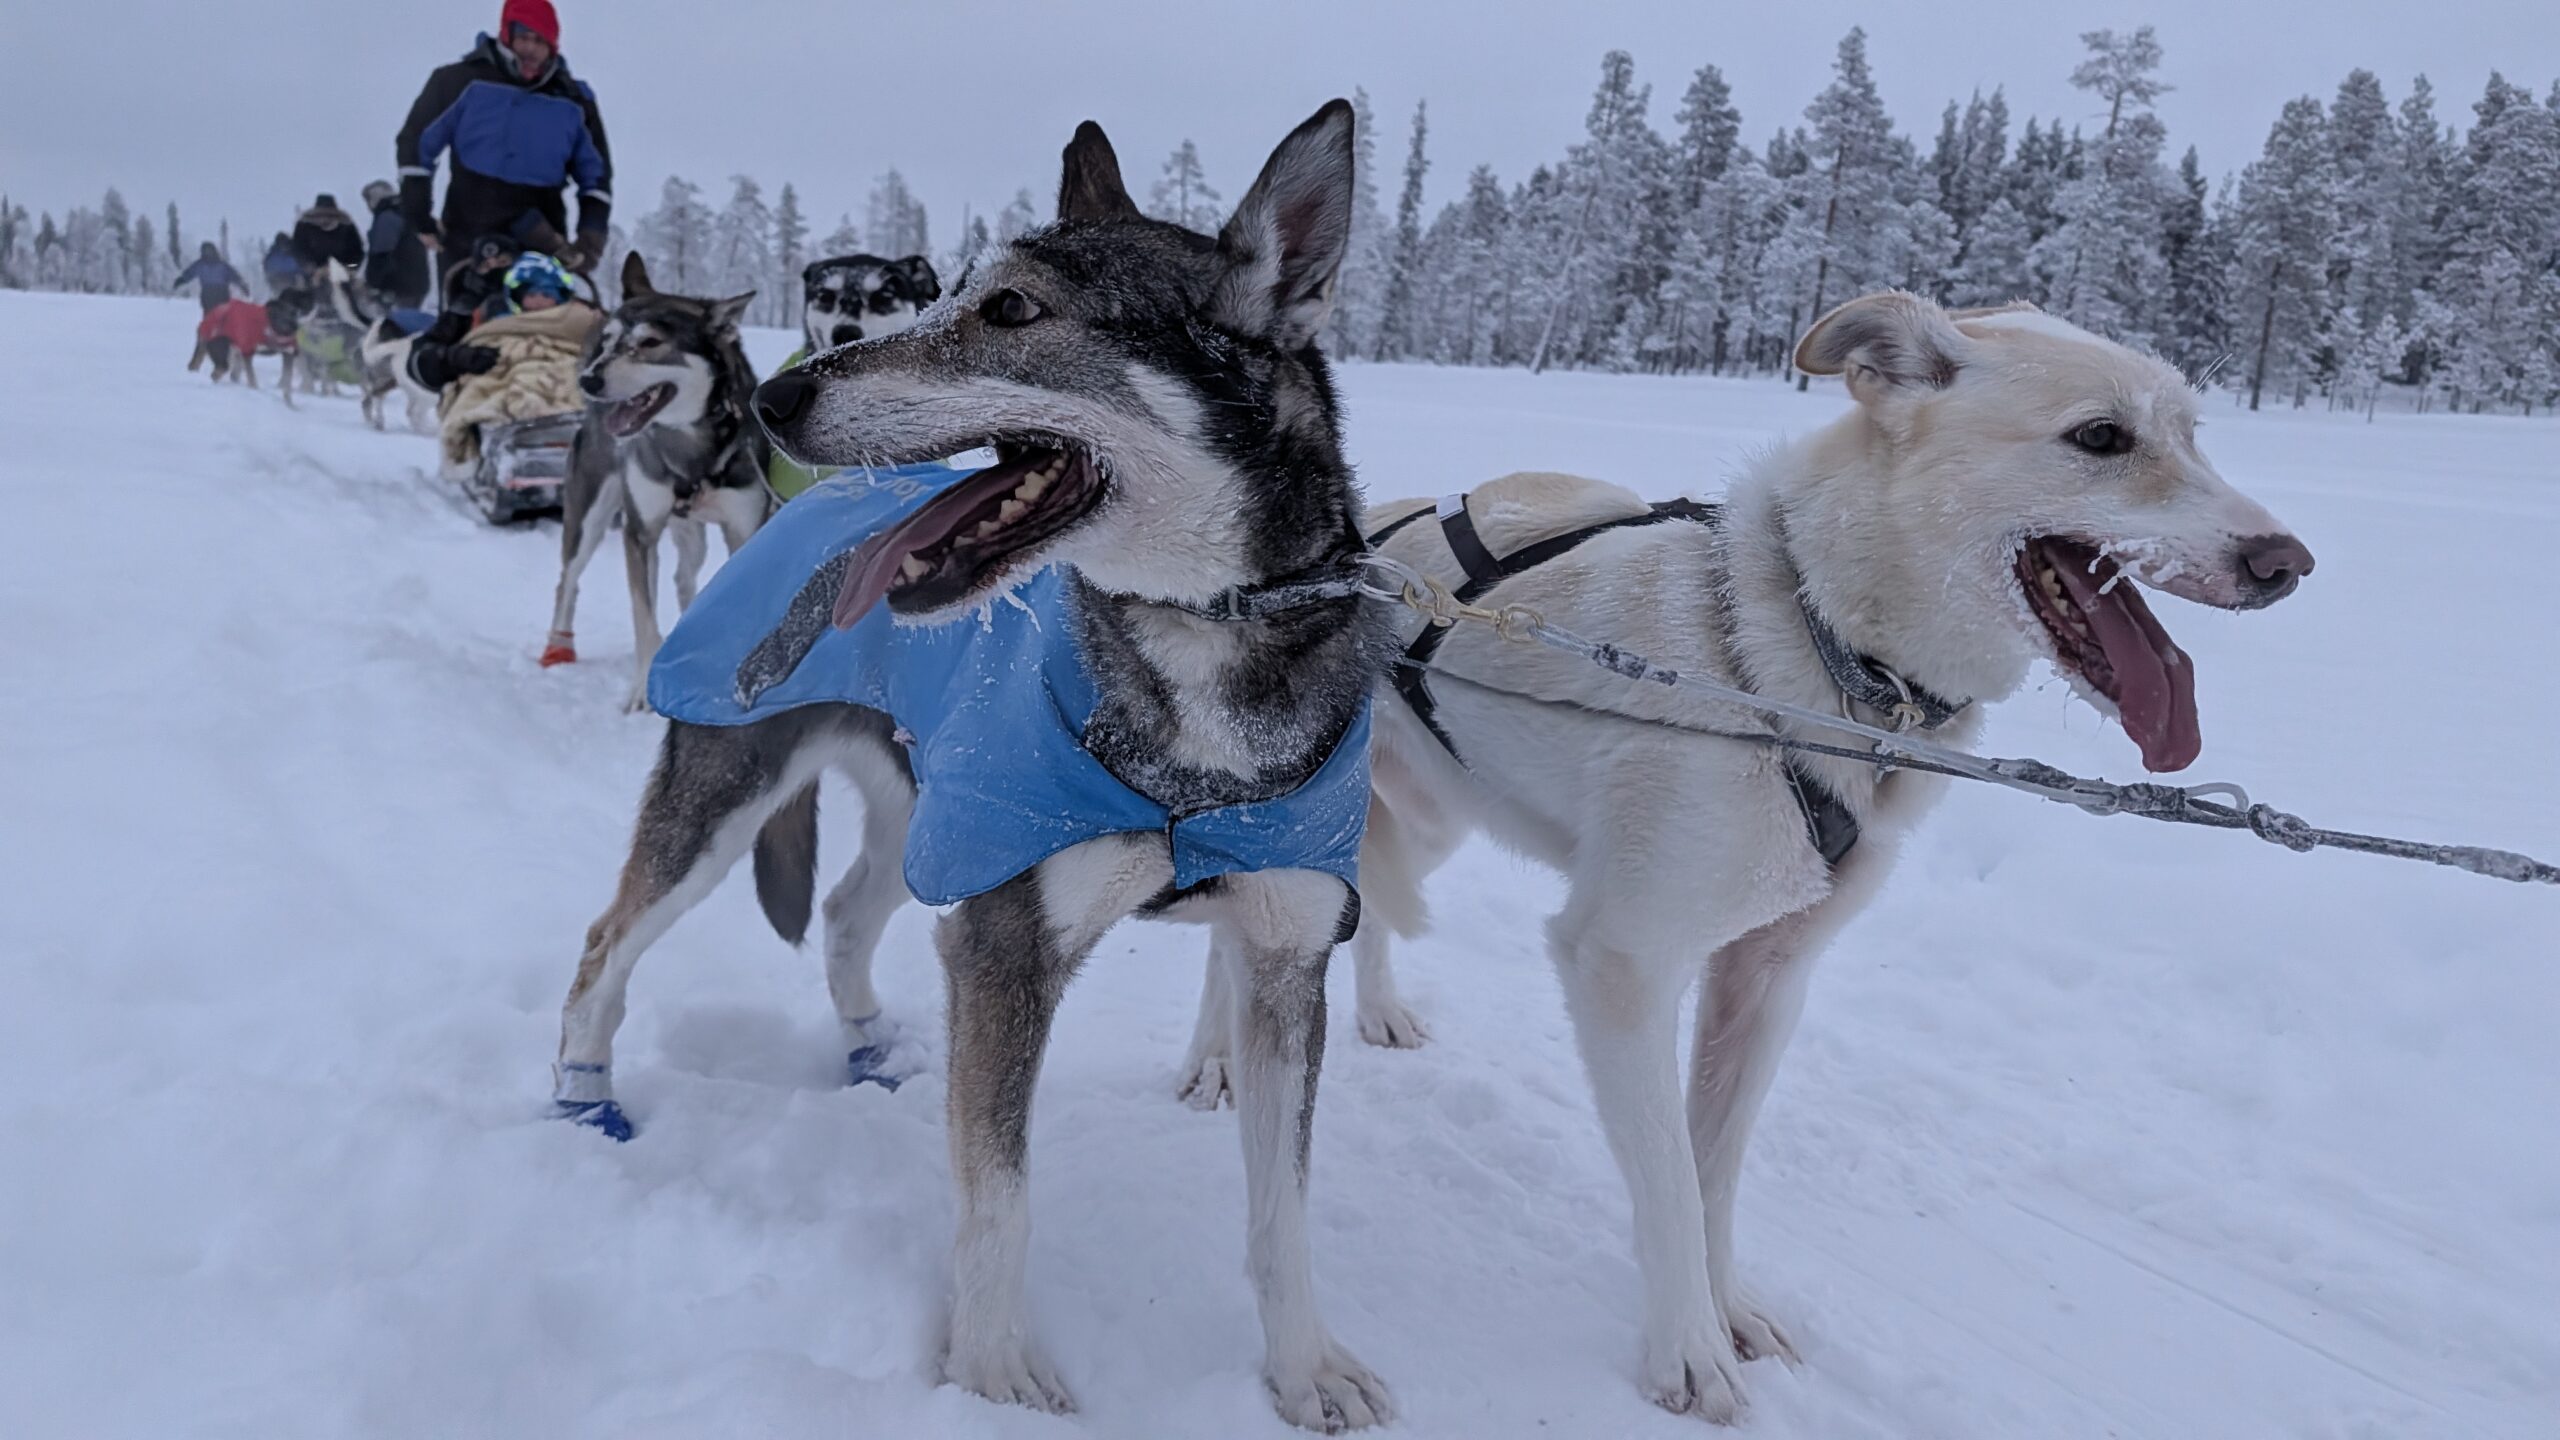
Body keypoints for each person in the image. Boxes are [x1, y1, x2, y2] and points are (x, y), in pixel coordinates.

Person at [395, 0, 612, 308]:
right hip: (468, 229)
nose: (530, 48)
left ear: (553, 46)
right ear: (506, 36)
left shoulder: (574, 101)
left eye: (540, 41)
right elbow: (416, 144)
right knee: (464, 320)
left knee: (544, 324)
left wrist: (591, 237)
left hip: (543, 233)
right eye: (523, 37)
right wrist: (418, 213)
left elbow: (596, 175)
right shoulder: (459, 81)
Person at [407, 251, 591, 389]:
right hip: (500, 393)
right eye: (532, 294)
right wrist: (456, 358)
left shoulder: (577, 318)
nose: (539, 301)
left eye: (547, 294)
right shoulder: (473, 314)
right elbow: (421, 361)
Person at [359, 181, 430, 310]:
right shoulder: (407, 213)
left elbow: (381, 254)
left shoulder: (387, 217)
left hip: (396, 287)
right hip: (416, 284)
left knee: (393, 320)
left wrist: (372, 283)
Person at [290, 194, 364, 276]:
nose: (324, 219)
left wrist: (348, 269)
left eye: (330, 215)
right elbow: (297, 250)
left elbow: (357, 253)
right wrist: (309, 268)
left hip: (340, 276)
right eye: (321, 215)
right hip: (314, 277)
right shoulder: (304, 226)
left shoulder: (346, 226)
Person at [172, 242, 246, 312]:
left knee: (223, 314)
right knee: (209, 315)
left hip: (221, 293)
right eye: (205, 251)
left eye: (209, 250)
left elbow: (234, 276)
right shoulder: (200, 265)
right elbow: (190, 273)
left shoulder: (222, 265)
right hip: (207, 293)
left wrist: (242, 285)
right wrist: (181, 280)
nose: (207, 253)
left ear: (214, 251)